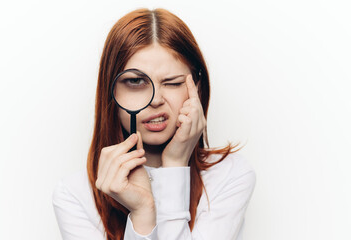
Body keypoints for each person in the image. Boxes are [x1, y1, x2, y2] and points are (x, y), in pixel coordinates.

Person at [52, 8, 256, 240]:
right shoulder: (74, 196)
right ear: (111, 91)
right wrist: (142, 215)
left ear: (196, 88)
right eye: (136, 81)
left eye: (172, 83)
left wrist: (176, 165)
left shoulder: (230, 176)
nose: (156, 100)